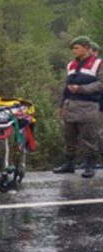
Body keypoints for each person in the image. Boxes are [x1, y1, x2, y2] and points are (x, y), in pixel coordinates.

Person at [53, 36, 103, 178]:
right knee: (69, 137)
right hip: (71, 105)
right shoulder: (71, 65)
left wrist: (81, 89)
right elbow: (66, 86)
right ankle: (68, 163)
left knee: (89, 137)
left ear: (86, 48)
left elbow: (100, 84)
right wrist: (61, 104)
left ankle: (90, 165)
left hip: (88, 105)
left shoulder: (98, 64)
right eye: (73, 48)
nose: (74, 51)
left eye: (77, 48)